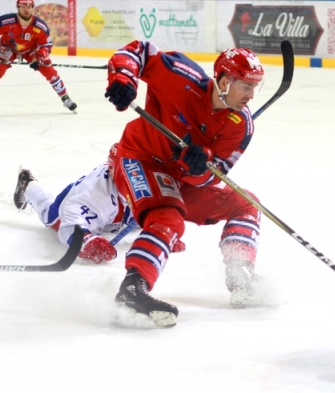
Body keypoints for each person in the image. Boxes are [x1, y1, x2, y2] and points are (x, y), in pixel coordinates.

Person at [103, 42, 266, 328]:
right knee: (168, 217)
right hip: (142, 158)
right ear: (225, 82)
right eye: (245, 87)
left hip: (179, 177)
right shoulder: (181, 77)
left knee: (246, 203)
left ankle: (240, 275)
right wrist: (124, 78)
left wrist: (198, 166)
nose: (251, 96)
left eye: (255, 87)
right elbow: (139, 52)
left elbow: (217, 174)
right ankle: (133, 288)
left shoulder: (240, 124)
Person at [12, 144, 172, 264]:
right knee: (49, 216)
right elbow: (68, 228)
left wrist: (160, 230)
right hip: (82, 198)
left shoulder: (145, 177)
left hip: (114, 205)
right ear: (112, 171)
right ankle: (27, 182)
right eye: (125, 174)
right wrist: (86, 241)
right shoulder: (93, 195)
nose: (135, 180)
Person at [0, 0, 76, 116]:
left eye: (29, 7)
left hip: (31, 50)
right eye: (23, 7)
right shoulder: (4, 21)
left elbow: (46, 45)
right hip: (9, 47)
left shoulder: (40, 26)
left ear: (33, 8)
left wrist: (40, 56)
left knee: (49, 70)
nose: (26, 10)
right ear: (17, 8)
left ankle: (65, 98)